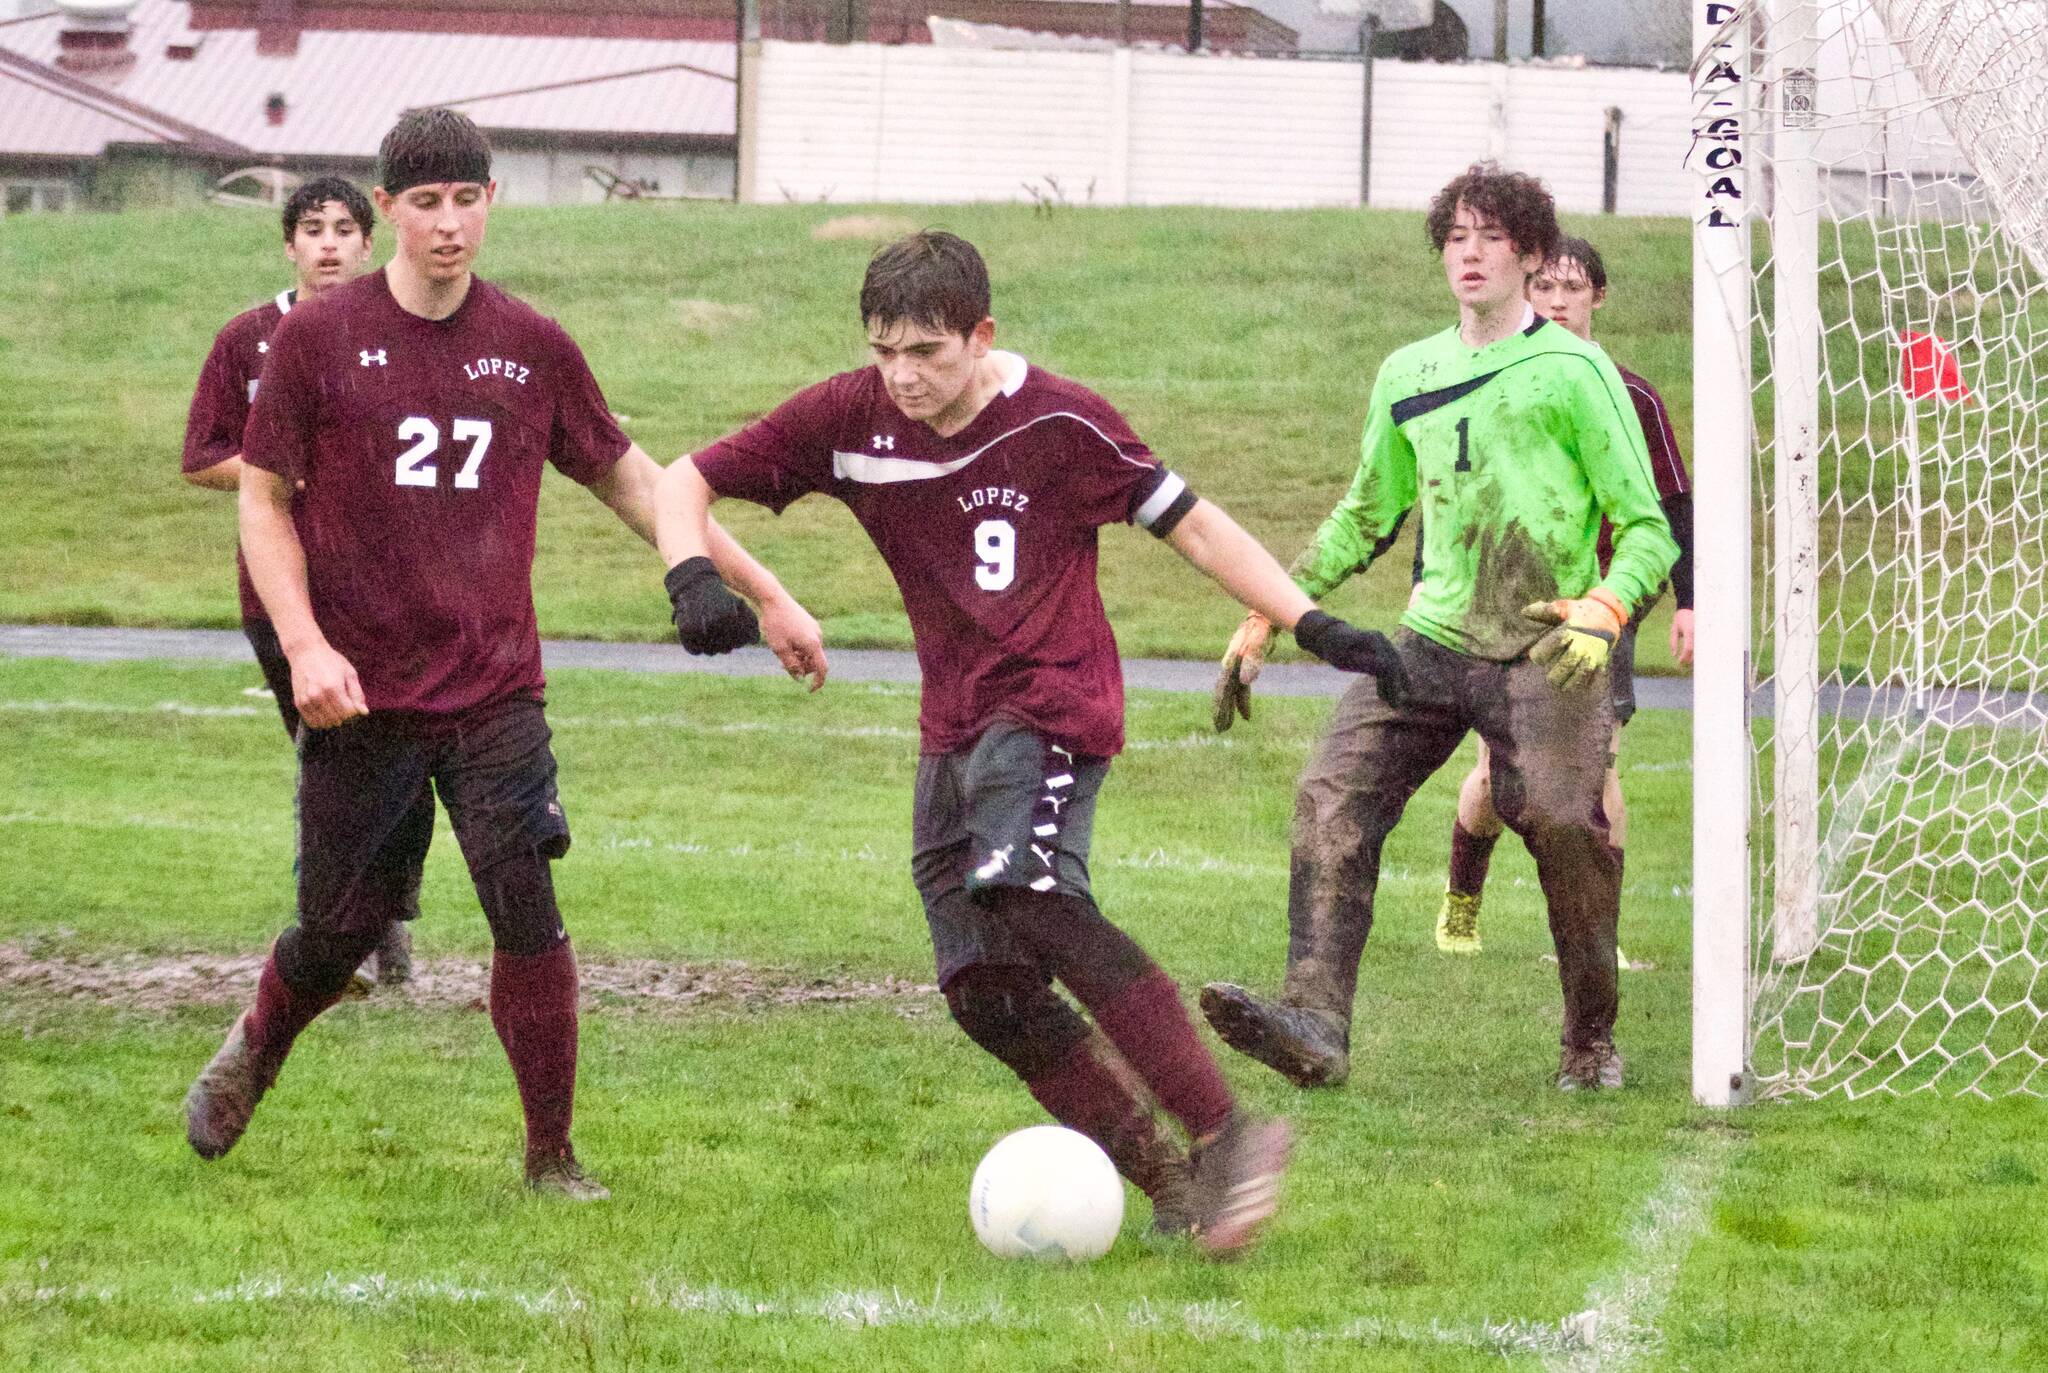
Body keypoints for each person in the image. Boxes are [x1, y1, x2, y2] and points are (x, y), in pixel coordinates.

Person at [653, 230, 1406, 1255]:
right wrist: (692, 575)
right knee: (983, 991)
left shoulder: (1060, 420)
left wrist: (1312, 624)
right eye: (885, 350)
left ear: (982, 334)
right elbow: (679, 479)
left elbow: (1192, 525)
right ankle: (1174, 1183)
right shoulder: (847, 415)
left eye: (926, 350)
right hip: (951, 720)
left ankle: (1227, 1131)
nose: (903, 375)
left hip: (1051, 700)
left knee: (1030, 887)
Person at [182, 108, 822, 1199]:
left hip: (494, 690)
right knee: (337, 934)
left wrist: (764, 592)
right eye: (422, 203)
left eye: (464, 200)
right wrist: (303, 647)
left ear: (492, 203)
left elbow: (634, 479)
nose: (445, 224)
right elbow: (263, 502)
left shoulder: (531, 344)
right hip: (360, 689)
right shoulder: (316, 341)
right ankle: (259, 1037)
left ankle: (551, 1156)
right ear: (385, 211)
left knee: (523, 899)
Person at [1202, 165, 1677, 1093]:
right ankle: (1314, 1024)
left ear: (1532, 255)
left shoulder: (1577, 371)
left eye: (1492, 236)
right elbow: (1363, 515)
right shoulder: (1407, 373)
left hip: (1546, 646)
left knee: (1568, 829)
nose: (1470, 251)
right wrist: (1269, 604)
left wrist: (1607, 606)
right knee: (1333, 791)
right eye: (1456, 236)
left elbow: (1651, 526)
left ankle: (1590, 1044)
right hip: (1431, 639)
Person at [1429, 236, 1695, 960]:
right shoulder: (1500, 382)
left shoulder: (1632, 394)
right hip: (1512, 604)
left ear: (1597, 298)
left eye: (1570, 288)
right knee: (1494, 773)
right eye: (1542, 288)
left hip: (1605, 609)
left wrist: (1689, 602)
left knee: (1601, 766)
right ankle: (1461, 899)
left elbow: (1672, 504)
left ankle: (1599, 933)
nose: (1555, 301)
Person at [180, 176, 414, 989]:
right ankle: (342, 938)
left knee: (397, 758)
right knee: (329, 759)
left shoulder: (403, 332)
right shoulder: (247, 339)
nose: (327, 242)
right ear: (289, 245)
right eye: (311, 228)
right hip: (280, 592)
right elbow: (203, 456)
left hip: (386, 588)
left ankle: (382, 923)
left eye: (343, 228)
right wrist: (287, 470)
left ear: (367, 241)